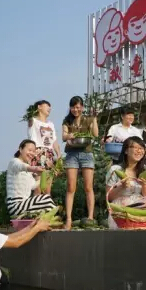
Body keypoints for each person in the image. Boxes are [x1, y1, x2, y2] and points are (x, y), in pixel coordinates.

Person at [106, 137, 146, 229]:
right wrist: (121, 187)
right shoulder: (115, 169)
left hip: (140, 206)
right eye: (135, 148)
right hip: (122, 209)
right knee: (126, 202)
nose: (139, 151)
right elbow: (109, 197)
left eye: (141, 148)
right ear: (126, 151)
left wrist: (144, 185)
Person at [62, 96, 99, 229]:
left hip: (86, 153)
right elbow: (63, 136)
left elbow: (95, 134)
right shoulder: (67, 120)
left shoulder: (88, 119)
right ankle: (69, 219)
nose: (75, 110)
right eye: (73, 107)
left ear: (82, 107)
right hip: (71, 154)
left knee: (88, 187)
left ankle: (90, 217)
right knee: (71, 187)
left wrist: (94, 119)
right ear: (70, 108)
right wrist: (68, 136)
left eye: (78, 107)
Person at [6, 139, 56, 219]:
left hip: (24, 204)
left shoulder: (28, 172)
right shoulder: (14, 162)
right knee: (47, 199)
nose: (32, 153)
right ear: (20, 149)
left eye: (33, 151)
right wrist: (34, 168)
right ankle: (55, 220)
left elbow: (33, 186)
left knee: (45, 199)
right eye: (29, 150)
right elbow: (21, 166)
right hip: (15, 205)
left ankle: (49, 221)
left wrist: (47, 176)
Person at [27, 100, 62, 195]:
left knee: (47, 187)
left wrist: (59, 154)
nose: (49, 108)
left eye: (50, 107)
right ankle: (36, 204)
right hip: (37, 153)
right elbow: (29, 119)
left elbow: (54, 141)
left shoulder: (51, 124)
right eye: (47, 105)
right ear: (39, 107)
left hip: (49, 154)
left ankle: (46, 204)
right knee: (38, 187)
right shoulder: (33, 121)